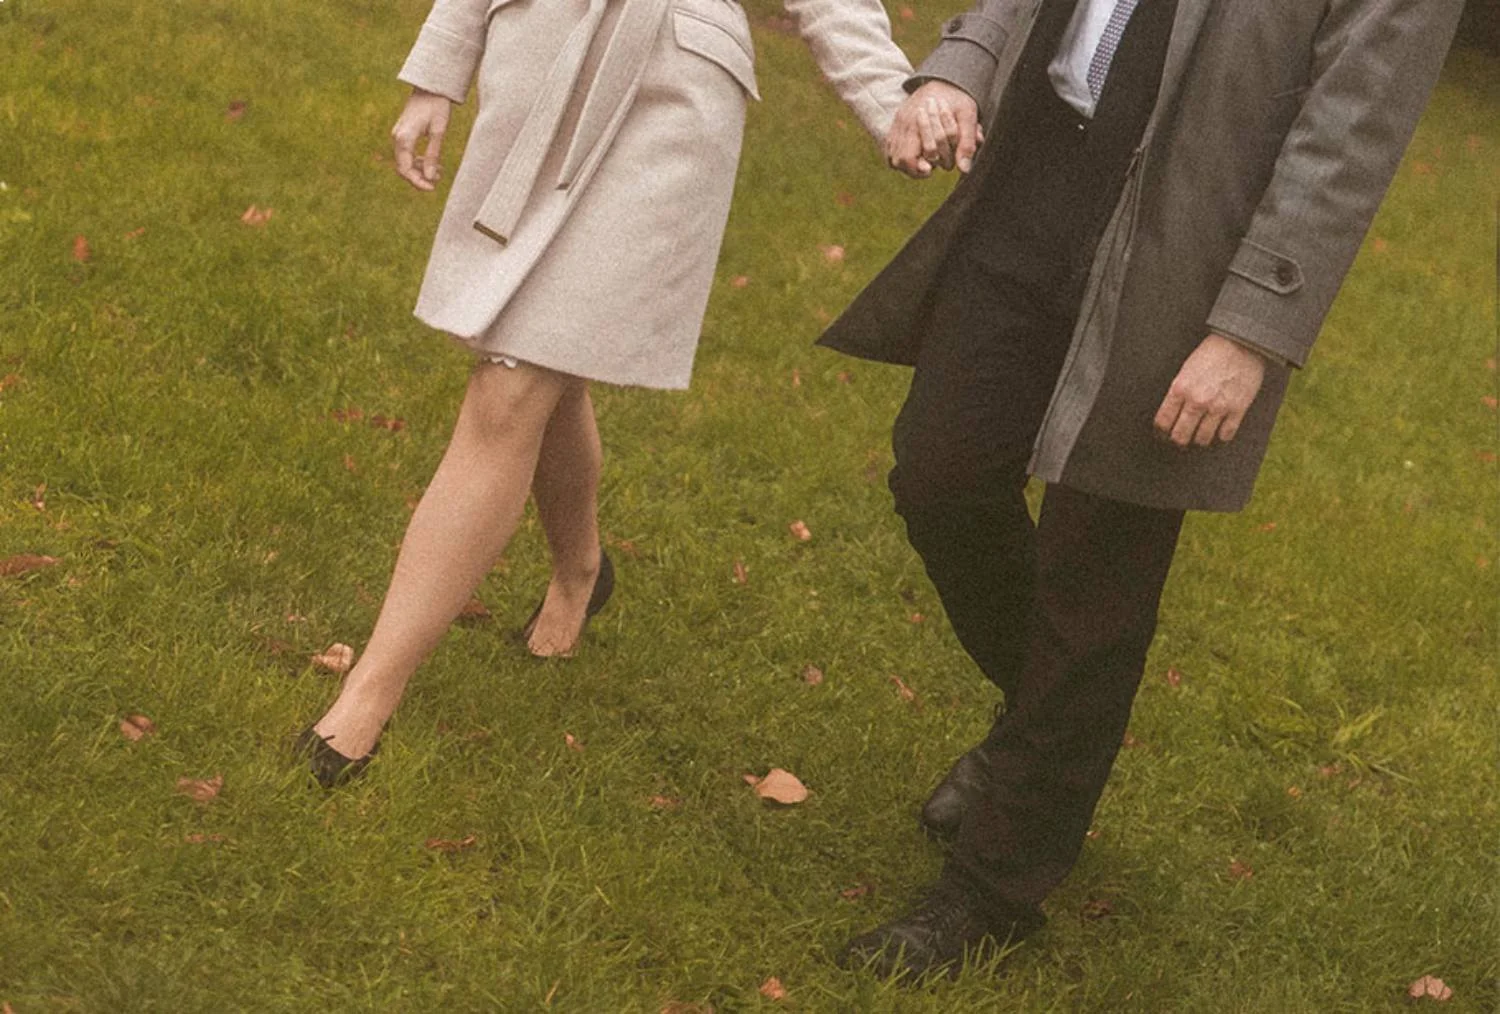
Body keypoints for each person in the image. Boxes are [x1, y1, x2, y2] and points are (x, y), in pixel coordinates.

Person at [823, 0, 1464, 978]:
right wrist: (959, 65)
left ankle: (993, 887)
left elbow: (1351, 127)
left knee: (1099, 568)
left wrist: (1252, 328)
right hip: (1037, 177)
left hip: (1191, 245)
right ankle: (1046, 735)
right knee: (941, 474)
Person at [297, 0, 914, 787]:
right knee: (543, 360)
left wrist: (898, 102)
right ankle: (582, 571)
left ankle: (367, 697)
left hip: (672, 99)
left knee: (513, 389)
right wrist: (439, 70)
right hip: (541, 66)